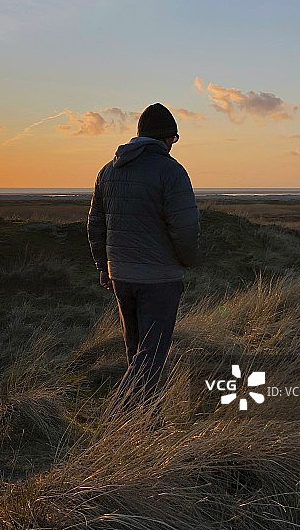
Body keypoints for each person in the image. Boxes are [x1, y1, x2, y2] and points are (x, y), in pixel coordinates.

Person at [87, 102, 200, 409]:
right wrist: (187, 260)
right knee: (151, 355)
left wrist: (103, 266)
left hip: (120, 276)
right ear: (166, 138)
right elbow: (185, 228)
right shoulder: (171, 172)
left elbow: (96, 224)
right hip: (159, 278)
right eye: (174, 139)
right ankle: (116, 415)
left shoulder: (108, 171)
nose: (173, 145)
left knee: (136, 352)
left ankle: (145, 422)